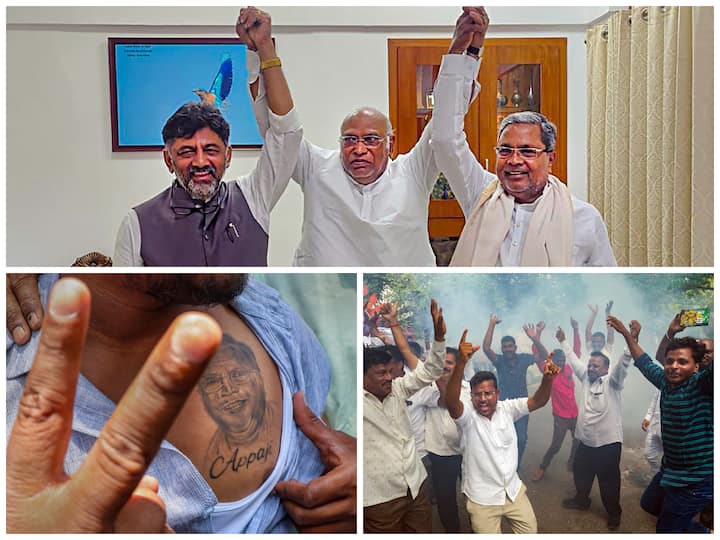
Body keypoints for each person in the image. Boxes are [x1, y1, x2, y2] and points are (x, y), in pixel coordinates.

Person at [6, 274, 356, 533]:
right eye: (217, 383)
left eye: (237, 378)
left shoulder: (261, 306)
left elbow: (318, 429)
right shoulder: (14, 396)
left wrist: (352, 491)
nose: (229, 392)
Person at [247, 9, 488, 267]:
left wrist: (464, 53)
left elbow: (445, 121)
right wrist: (260, 50)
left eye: (371, 140)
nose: (359, 148)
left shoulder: (413, 172)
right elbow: (278, 128)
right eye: (350, 140)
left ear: (390, 144)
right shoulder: (316, 168)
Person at [114, 8, 301, 266]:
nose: (200, 161)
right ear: (168, 160)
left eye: (211, 150)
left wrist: (264, 49)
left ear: (228, 155)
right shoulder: (137, 225)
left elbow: (286, 134)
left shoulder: (253, 197)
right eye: (186, 152)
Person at [431, 7, 616, 267]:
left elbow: (603, 284)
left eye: (528, 151)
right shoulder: (481, 195)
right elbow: (445, 139)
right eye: (505, 150)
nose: (514, 160)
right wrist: (462, 53)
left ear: (550, 157)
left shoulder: (583, 217)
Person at [445, 329, 558, 533]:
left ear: (497, 393)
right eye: (477, 394)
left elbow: (538, 401)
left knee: (530, 531)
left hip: (513, 492)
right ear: (471, 397)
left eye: (488, 393)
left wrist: (547, 379)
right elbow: (452, 402)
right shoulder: (468, 417)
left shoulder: (508, 408)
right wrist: (460, 363)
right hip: (482, 499)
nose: (483, 398)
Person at [609, 316, 713, 533]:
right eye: (670, 361)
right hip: (671, 470)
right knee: (649, 504)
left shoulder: (703, 385)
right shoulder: (665, 383)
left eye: (682, 362)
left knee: (666, 529)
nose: (674, 367)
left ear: (696, 367)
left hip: (696, 479)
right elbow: (645, 361)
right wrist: (627, 335)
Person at [363, 299, 446, 533]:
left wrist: (439, 339)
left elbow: (430, 371)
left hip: (416, 486)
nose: (389, 377)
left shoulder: (398, 388)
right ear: (362, 377)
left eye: (390, 372)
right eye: (380, 373)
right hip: (379, 499)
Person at [555, 326, 631, 531]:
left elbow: (623, 364)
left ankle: (614, 513)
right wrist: (563, 341)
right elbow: (573, 359)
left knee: (608, 482)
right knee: (581, 473)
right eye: (590, 365)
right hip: (586, 442)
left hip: (608, 445)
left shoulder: (612, 382)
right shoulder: (586, 379)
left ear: (606, 369)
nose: (590, 368)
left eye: (595, 366)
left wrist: (631, 339)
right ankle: (582, 500)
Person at [410, 346, 468, 533]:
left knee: (473, 495)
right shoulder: (426, 389)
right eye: (440, 363)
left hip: (467, 452)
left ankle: (479, 528)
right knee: (445, 499)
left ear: (458, 365)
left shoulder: (470, 389)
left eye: (449, 362)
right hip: (440, 454)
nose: (444, 366)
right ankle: (453, 532)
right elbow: (409, 356)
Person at [482, 315, 545, 467]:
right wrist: (491, 324)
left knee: (521, 439)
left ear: (515, 347)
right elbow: (486, 348)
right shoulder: (499, 361)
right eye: (505, 347)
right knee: (502, 437)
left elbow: (543, 355)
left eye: (510, 346)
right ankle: (503, 464)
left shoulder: (524, 358)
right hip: (502, 405)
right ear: (502, 349)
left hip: (522, 405)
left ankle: (516, 465)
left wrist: (535, 338)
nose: (507, 349)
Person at [530, 320, 579, 482]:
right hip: (561, 416)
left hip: (574, 413)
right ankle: (542, 467)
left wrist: (575, 330)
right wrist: (537, 334)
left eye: (563, 360)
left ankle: (572, 462)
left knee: (578, 440)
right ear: (553, 362)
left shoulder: (569, 369)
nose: (562, 362)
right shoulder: (550, 372)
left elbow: (576, 351)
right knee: (556, 445)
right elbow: (539, 354)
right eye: (558, 360)